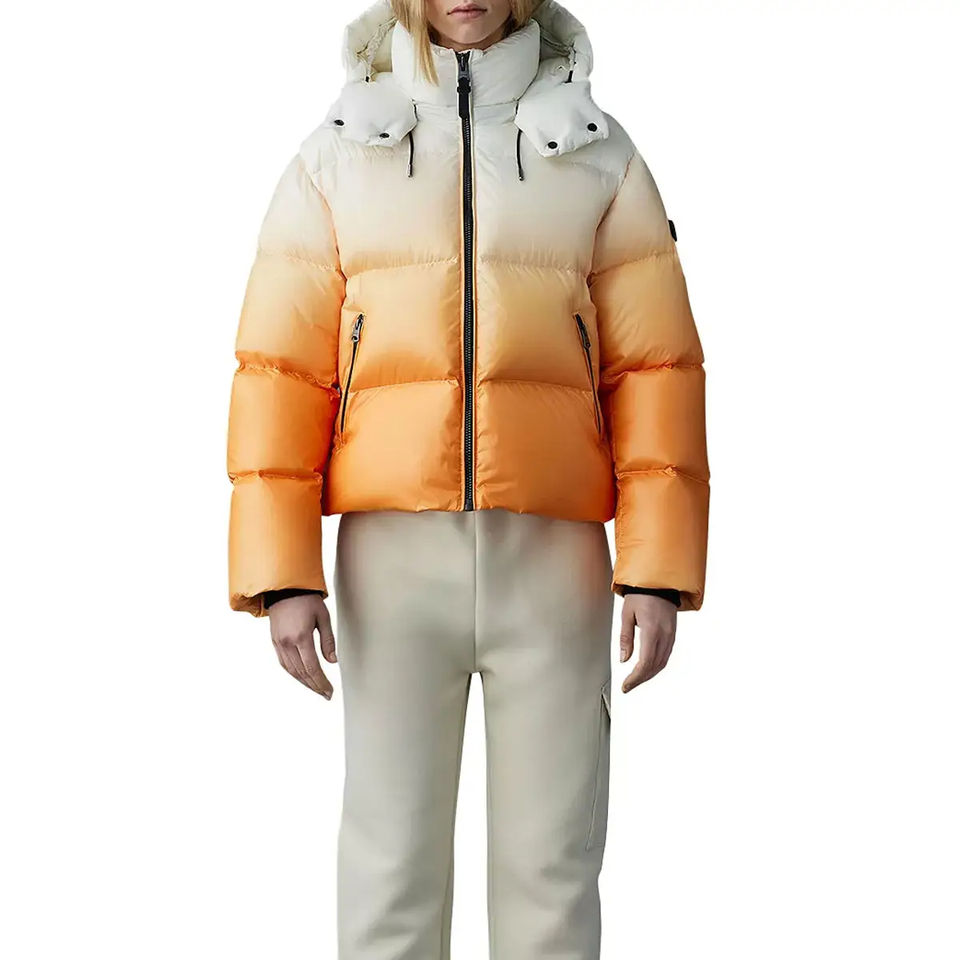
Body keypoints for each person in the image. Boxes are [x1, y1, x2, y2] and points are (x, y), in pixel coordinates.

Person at [226, 0, 709, 956]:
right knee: (390, 863)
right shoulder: (336, 155)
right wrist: (282, 575)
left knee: (551, 867)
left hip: (554, 556)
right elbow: (279, 369)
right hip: (392, 562)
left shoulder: (597, 154)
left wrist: (656, 570)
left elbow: (656, 368)